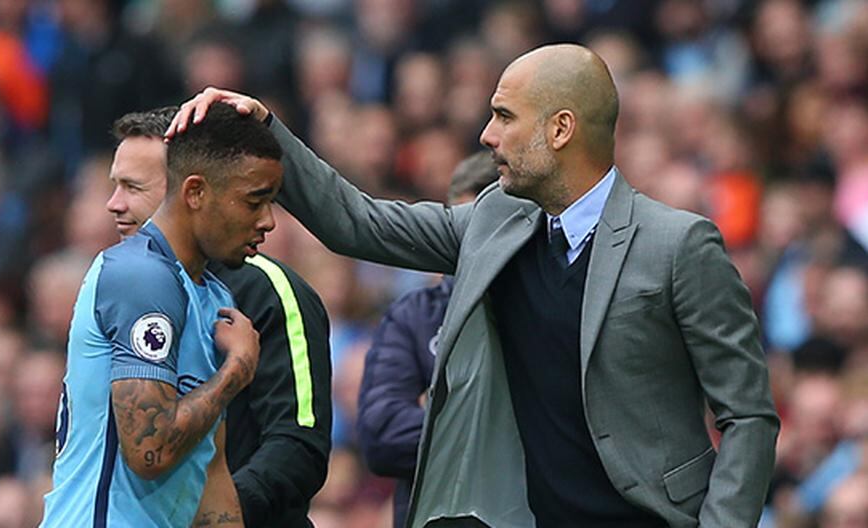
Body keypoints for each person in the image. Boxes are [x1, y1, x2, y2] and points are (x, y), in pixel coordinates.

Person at [170, 43, 780, 528]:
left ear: (561, 129)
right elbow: (357, 223)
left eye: (505, 116)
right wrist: (266, 126)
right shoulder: (496, 220)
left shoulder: (680, 244)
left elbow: (748, 414)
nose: (488, 135)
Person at [41, 102, 283, 527]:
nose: (268, 221)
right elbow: (149, 452)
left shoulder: (214, 295)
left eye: (132, 187)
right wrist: (235, 372)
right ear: (194, 192)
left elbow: (211, 467)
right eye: (253, 202)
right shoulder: (140, 277)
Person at [106, 106, 333, 527]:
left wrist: (222, 515)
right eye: (115, 186)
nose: (113, 204)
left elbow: (299, 443)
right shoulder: (118, 285)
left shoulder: (269, 291)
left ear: (189, 189)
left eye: (133, 188)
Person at [356, 151, 498, 528]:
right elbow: (382, 438)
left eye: (485, 229)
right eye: (460, 228)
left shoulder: (542, 307)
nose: (471, 244)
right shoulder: (413, 317)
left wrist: (438, 407)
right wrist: (497, 422)